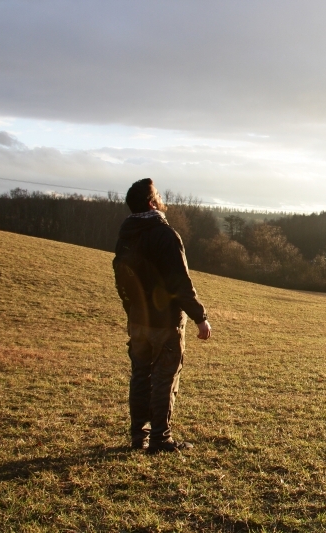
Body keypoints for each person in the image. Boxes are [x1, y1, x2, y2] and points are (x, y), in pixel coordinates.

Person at [114, 178, 211, 453]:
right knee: (164, 379)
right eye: (157, 195)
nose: (160, 198)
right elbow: (179, 282)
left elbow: (122, 279)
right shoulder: (166, 235)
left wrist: (131, 311)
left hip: (137, 321)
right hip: (165, 322)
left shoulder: (126, 235)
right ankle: (160, 439)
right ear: (150, 202)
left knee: (140, 376)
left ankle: (138, 437)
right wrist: (200, 317)